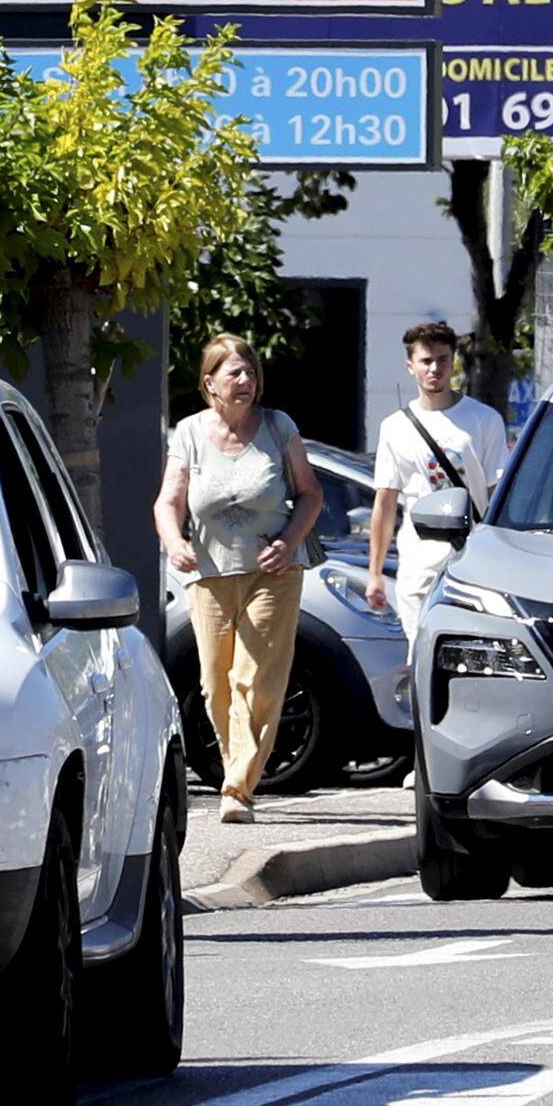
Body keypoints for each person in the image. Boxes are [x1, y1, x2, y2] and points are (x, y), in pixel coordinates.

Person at [156, 333, 320, 821]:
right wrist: (174, 541)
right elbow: (169, 501)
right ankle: (237, 771)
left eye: (250, 371)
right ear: (210, 383)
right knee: (215, 683)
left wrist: (288, 543)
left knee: (256, 677)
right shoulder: (188, 433)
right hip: (209, 574)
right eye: (235, 373)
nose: (246, 380)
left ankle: (237, 787)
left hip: (273, 569)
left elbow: (310, 494)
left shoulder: (278, 427)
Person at [365, 319, 512, 622]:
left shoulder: (483, 419)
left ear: (453, 362)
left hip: (472, 557)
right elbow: (386, 501)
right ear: (411, 366)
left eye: (442, 359)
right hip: (418, 559)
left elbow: (497, 492)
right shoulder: (395, 427)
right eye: (426, 361)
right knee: (418, 649)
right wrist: (375, 573)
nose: (434, 368)